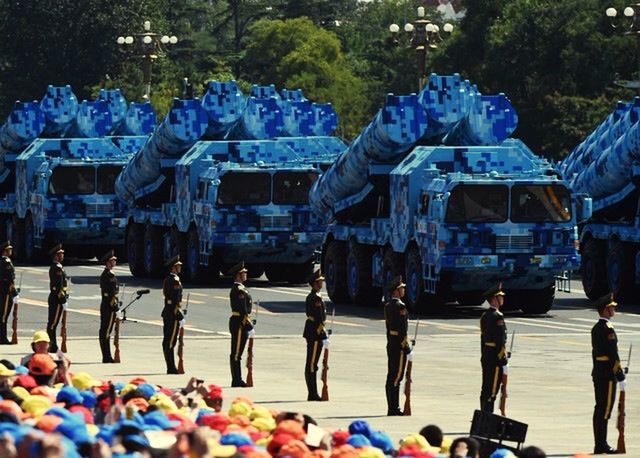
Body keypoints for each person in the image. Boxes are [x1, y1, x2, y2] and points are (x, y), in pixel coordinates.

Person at [591, 293, 626, 454]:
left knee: (599, 409)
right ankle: (601, 444)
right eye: (612, 307)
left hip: (598, 373)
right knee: (604, 410)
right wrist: (619, 374)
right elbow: (613, 354)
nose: (614, 309)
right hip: (607, 375)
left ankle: (599, 443)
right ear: (606, 310)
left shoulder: (596, 328)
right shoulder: (607, 329)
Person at [384, 275, 412, 416]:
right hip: (398, 346)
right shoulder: (400, 306)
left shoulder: (388, 305)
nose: (403, 291)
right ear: (396, 291)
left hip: (391, 344)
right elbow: (401, 329)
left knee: (391, 375)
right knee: (397, 377)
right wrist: (406, 346)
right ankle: (394, 408)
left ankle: (392, 406)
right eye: (401, 289)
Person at [480, 282, 508, 413]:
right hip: (495, 359)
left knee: (486, 387)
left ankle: (484, 414)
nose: (502, 298)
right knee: (492, 390)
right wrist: (503, 358)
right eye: (500, 296)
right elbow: (500, 341)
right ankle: (488, 416)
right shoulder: (498, 317)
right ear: (494, 299)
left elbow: (483, 339)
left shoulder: (485, 316)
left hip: (486, 357)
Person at [303, 269, 328, 401]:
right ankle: (312, 393)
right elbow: (318, 318)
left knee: (313, 363)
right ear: (314, 283)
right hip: (315, 333)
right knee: (312, 364)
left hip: (314, 331)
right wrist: (322, 333)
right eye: (320, 282)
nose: (322, 284)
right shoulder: (315, 298)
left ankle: (313, 392)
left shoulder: (315, 297)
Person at [228, 261, 254, 387]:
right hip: (239, 323)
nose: (245, 275)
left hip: (241, 322)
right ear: (238, 275)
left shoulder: (241, 289)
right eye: (243, 273)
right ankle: (236, 379)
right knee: (236, 353)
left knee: (239, 352)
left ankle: (237, 378)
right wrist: (247, 324)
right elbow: (242, 309)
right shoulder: (238, 290)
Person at [162, 256, 184, 374]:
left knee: (168, 340)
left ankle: (171, 366)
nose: (180, 267)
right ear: (173, 268)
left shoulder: (169, 279)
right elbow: (175, 299)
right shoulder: (174, 280)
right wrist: (179, 313)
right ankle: (171, 367)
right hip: (172, 313)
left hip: (168, 312)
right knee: (170, 341)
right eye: (178, 266)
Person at [46, 244, 68, 352]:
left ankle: (52, 345)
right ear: (55, 256)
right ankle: (52, 345)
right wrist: (62, 299)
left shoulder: (58, 267)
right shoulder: (56, 268)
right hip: (56, 299)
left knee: (53, 323)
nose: (62, 256)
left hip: (57, 298)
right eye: (60, 254)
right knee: (53, 323)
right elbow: (57, 286)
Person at [99, 250, 119, 363]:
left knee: (107, 331)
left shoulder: (110, 275)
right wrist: (115, 306)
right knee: (105, 332)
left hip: (109, 306)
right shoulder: (107, 275)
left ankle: (107, 355)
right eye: (112, 261)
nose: (114, 262)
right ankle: (106, 356)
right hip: (108, 307)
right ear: (108, 262)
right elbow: (109, 294)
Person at [0, 241, 18, 344]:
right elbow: (8, 279)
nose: (11, 251)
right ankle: (2, 338)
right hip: (5, 292)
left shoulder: (5, 261)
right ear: (5, 251)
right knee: (3, 316)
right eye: (9, 249)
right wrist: (14, 292)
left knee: (3, 316)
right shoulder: (5, 262)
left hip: (4, 291)